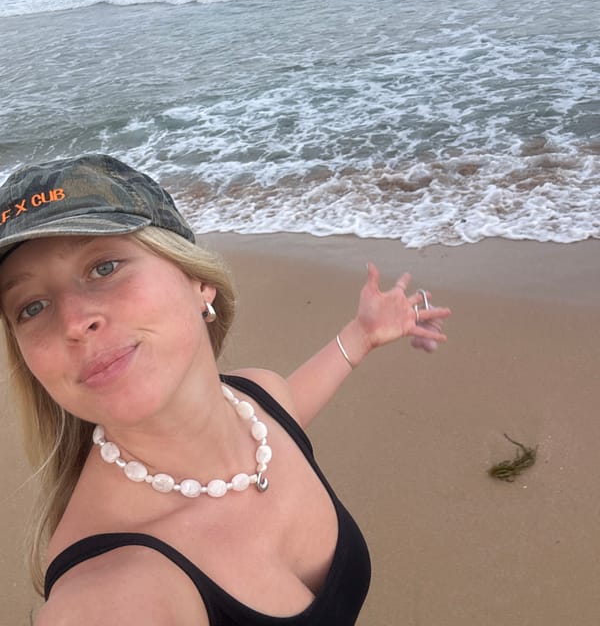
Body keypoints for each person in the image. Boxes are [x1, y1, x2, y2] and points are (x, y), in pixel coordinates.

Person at [0, 154, 451, 626]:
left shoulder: (255, 399)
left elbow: (286, 412)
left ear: (198, 282)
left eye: (104, 267)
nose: (74, 321)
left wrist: (361, 336)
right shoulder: (112, 595)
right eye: (31, 307)